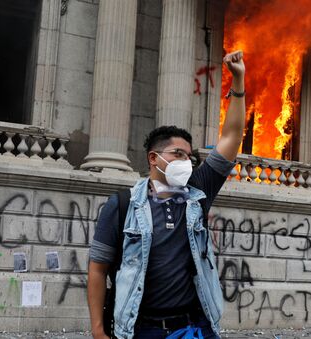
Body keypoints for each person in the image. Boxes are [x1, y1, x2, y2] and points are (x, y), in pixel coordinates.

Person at [87, 50, 245, 339]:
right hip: (143, 328)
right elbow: (98, 269)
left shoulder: (198, 192)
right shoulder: (122, 205)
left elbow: (232, 136)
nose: (186, 161)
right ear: (153, 158)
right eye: (178, 154)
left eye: (189, 155)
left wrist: (238, 81)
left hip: (195, 326)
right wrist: (98, 331)